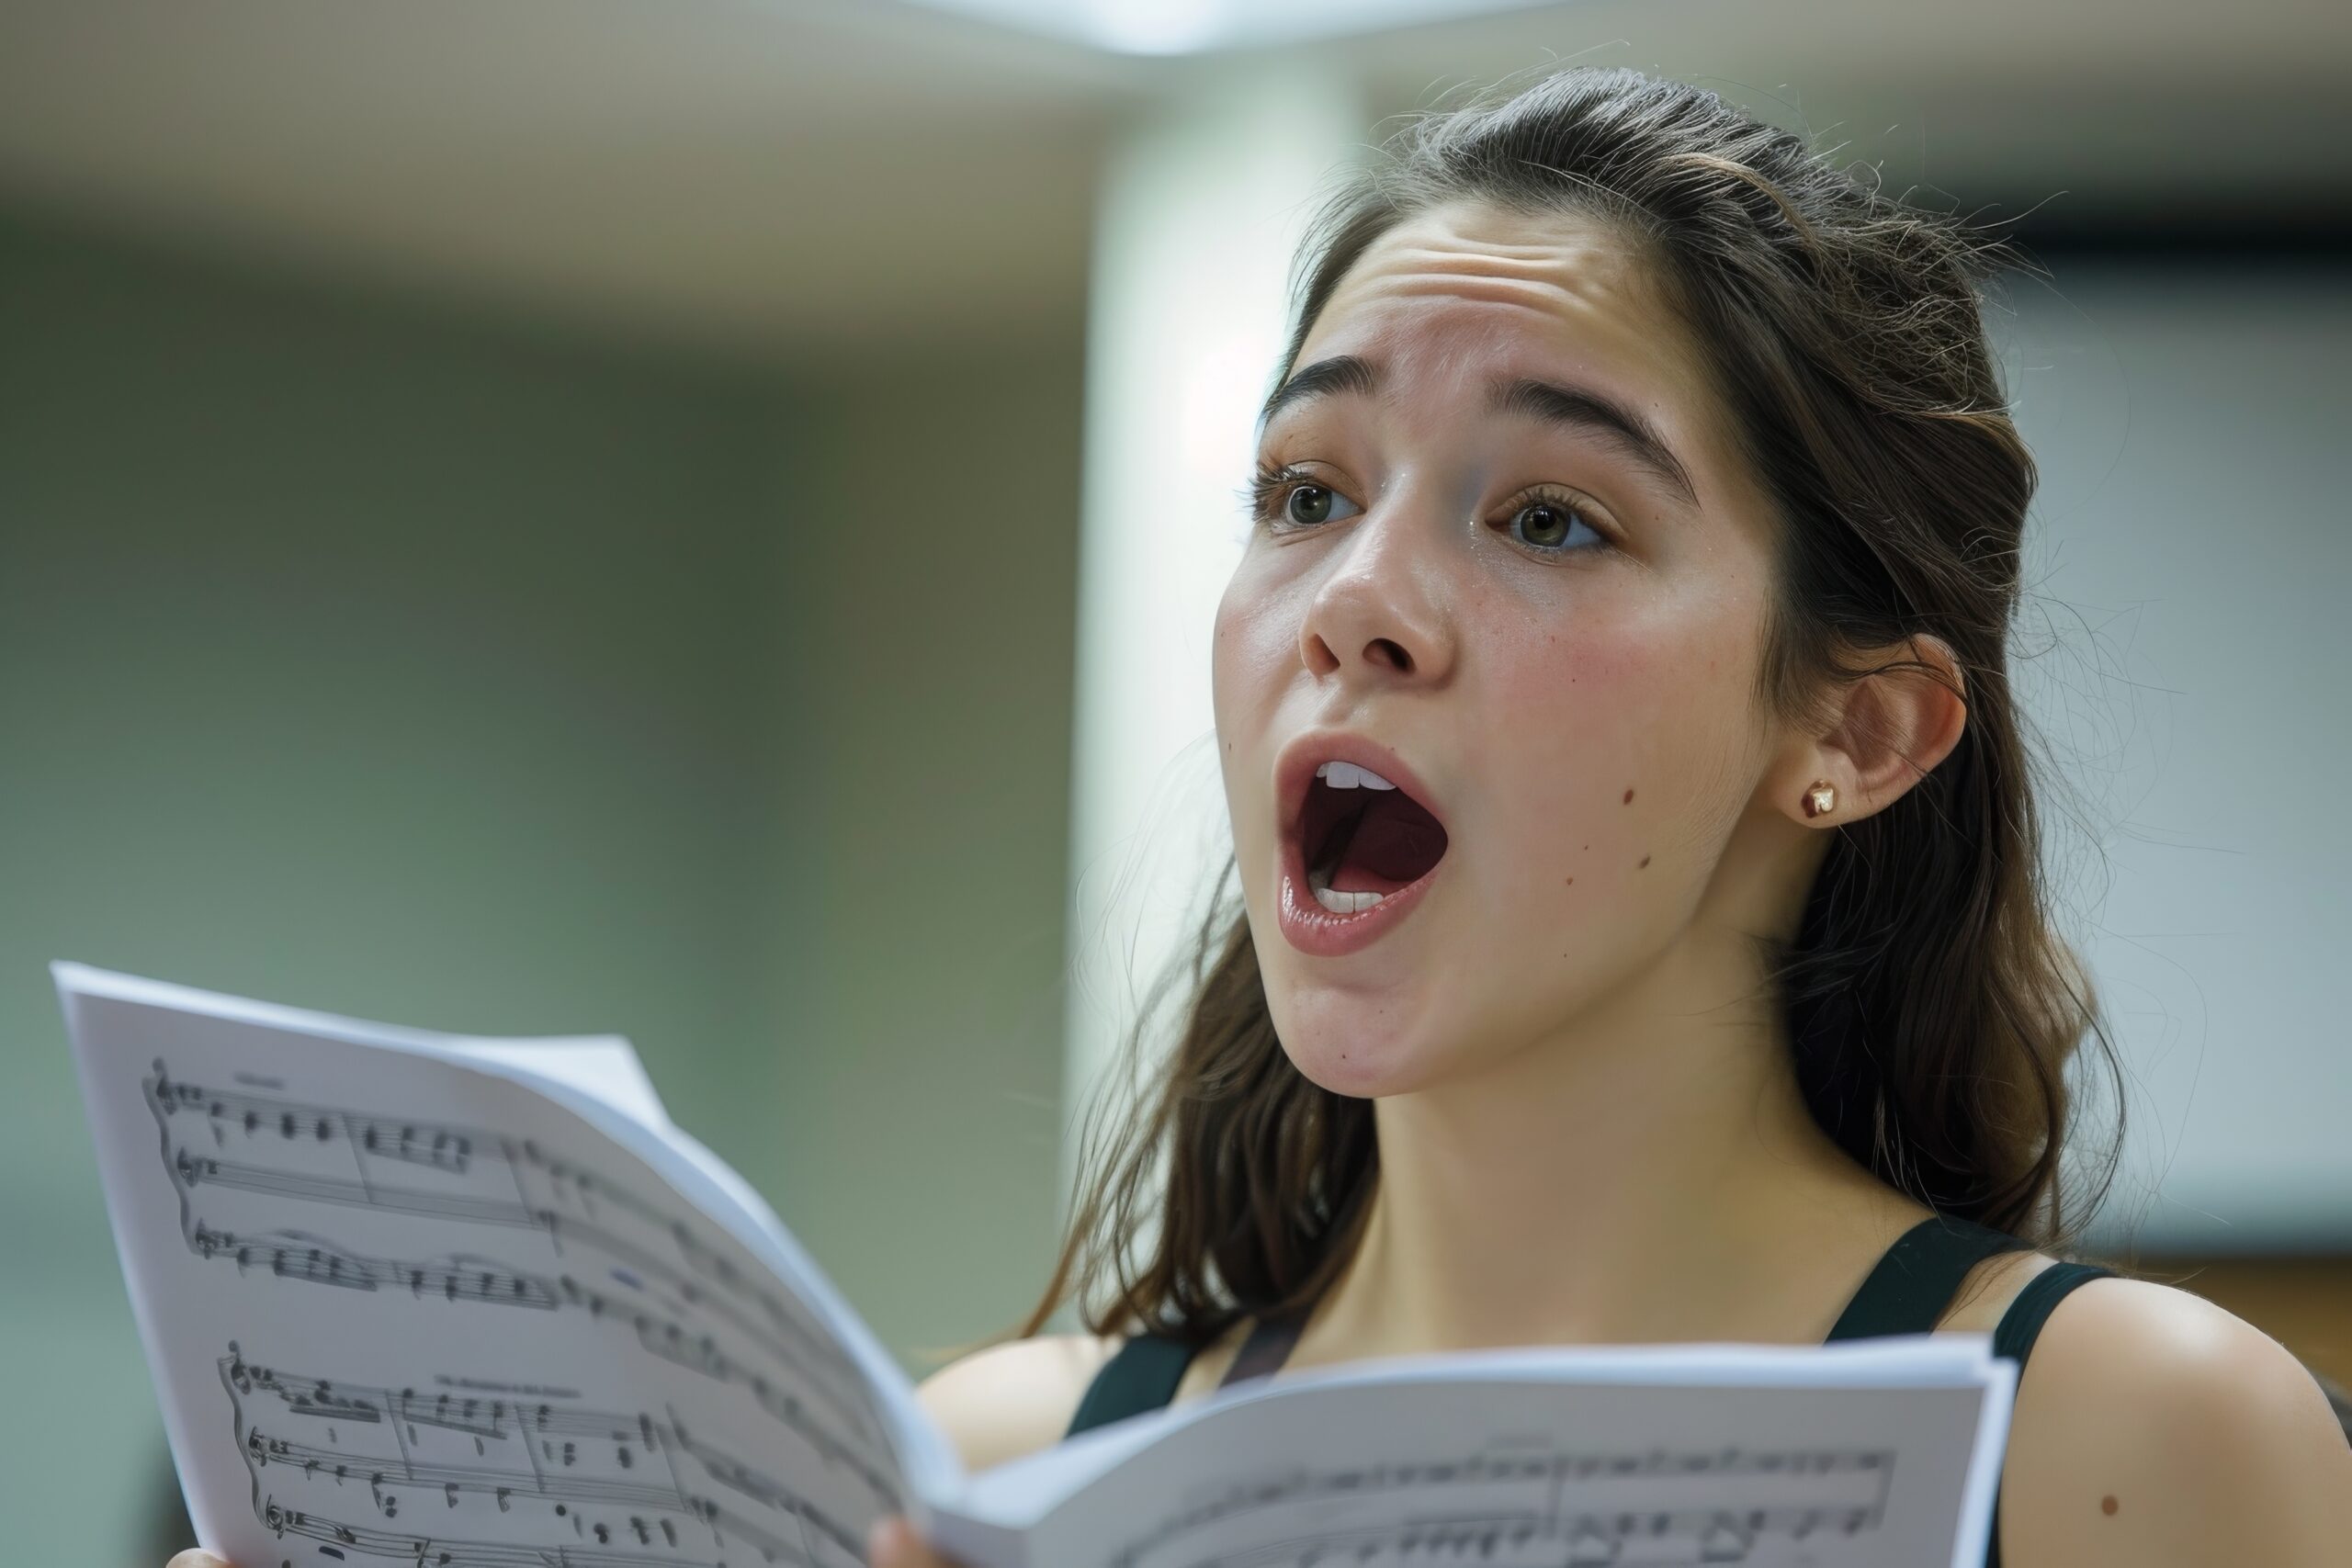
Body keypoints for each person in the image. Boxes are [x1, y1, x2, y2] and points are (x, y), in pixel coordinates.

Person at [164, 63, 2349, 1568]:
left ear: (1853, 729)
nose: (1354, 600)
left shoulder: (2121, 1437)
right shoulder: (993, 1467)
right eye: (1304, 492)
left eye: (1552, 515)